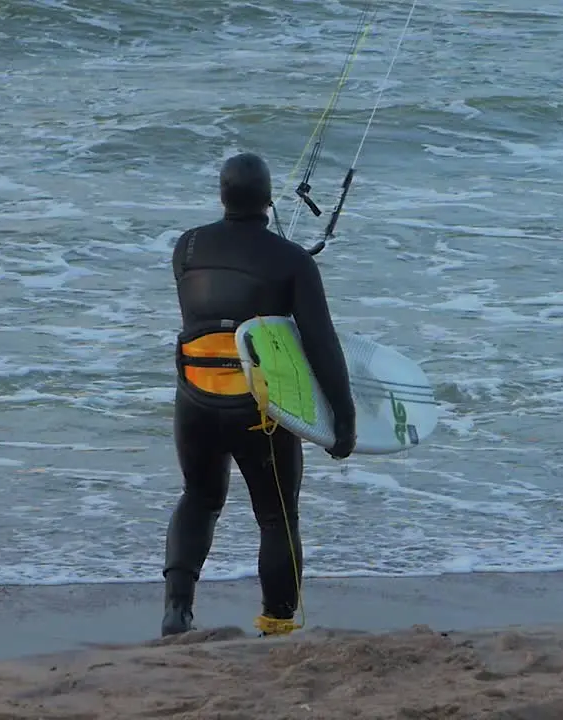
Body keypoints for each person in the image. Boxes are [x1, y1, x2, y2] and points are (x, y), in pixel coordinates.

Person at [161, 151, 357, 638]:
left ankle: (176, 612)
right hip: (259, 409)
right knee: (276, 515)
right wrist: (344, 420)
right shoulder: (292, 261)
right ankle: (277, 622)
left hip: (196, 397)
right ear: (269, 200)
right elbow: (321, 344)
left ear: (222, 196)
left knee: (199, 498)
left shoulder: (186, 248)